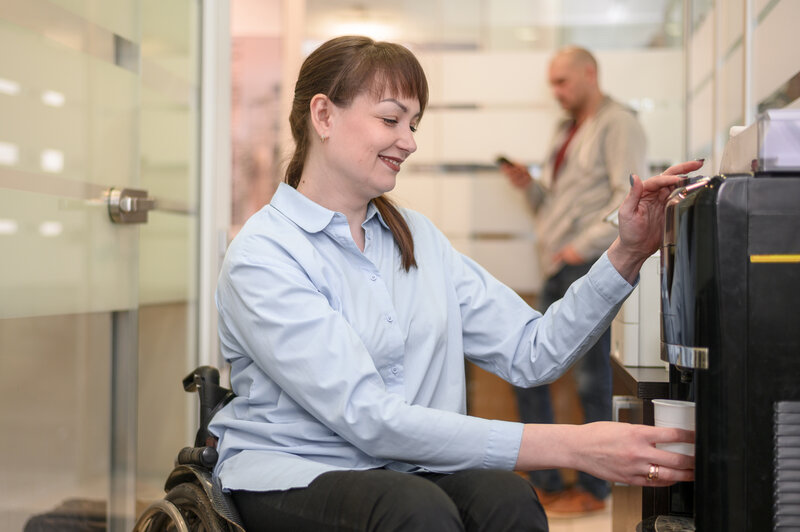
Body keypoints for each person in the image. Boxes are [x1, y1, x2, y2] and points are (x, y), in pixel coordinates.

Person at [209, 35, 697, 532]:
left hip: (407, 474)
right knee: (416, 511)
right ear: (324, 115)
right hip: (295, 474)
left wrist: (628, 252)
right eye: (390, 119)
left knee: (508, 500)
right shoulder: (265, 255)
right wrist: (576, 446)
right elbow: (370, 419)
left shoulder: (418, 239)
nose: (410, 141)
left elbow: (534, 351)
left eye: (414, 124)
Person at [498, 45, 648, 515]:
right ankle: (546, 483)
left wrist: (578, 248)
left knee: (590, 380)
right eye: (552, 84)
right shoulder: (565, 132)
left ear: (589, 73)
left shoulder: (618, 122)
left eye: (562, 82)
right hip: (557, 264)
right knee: (525, 368)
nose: (556, 92)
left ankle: (595, 489)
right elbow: (561, 207)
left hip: (586, 264)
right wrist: (532, 189)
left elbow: (627, 193)